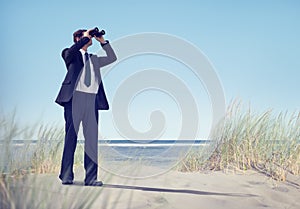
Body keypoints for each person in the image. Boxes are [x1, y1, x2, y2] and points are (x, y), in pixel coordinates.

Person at [55, 28, 117, 186]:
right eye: (85, 36)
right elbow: (70, 52)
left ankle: (91, 178)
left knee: (91, 141)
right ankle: (66, 175)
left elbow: (112, 57)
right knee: (71, 138)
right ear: (77, 38)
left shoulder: (94, 58)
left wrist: (102, 41)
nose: (89, 38)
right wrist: (85, 37)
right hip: (73, 100)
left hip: (91, 101)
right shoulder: (70, 54)